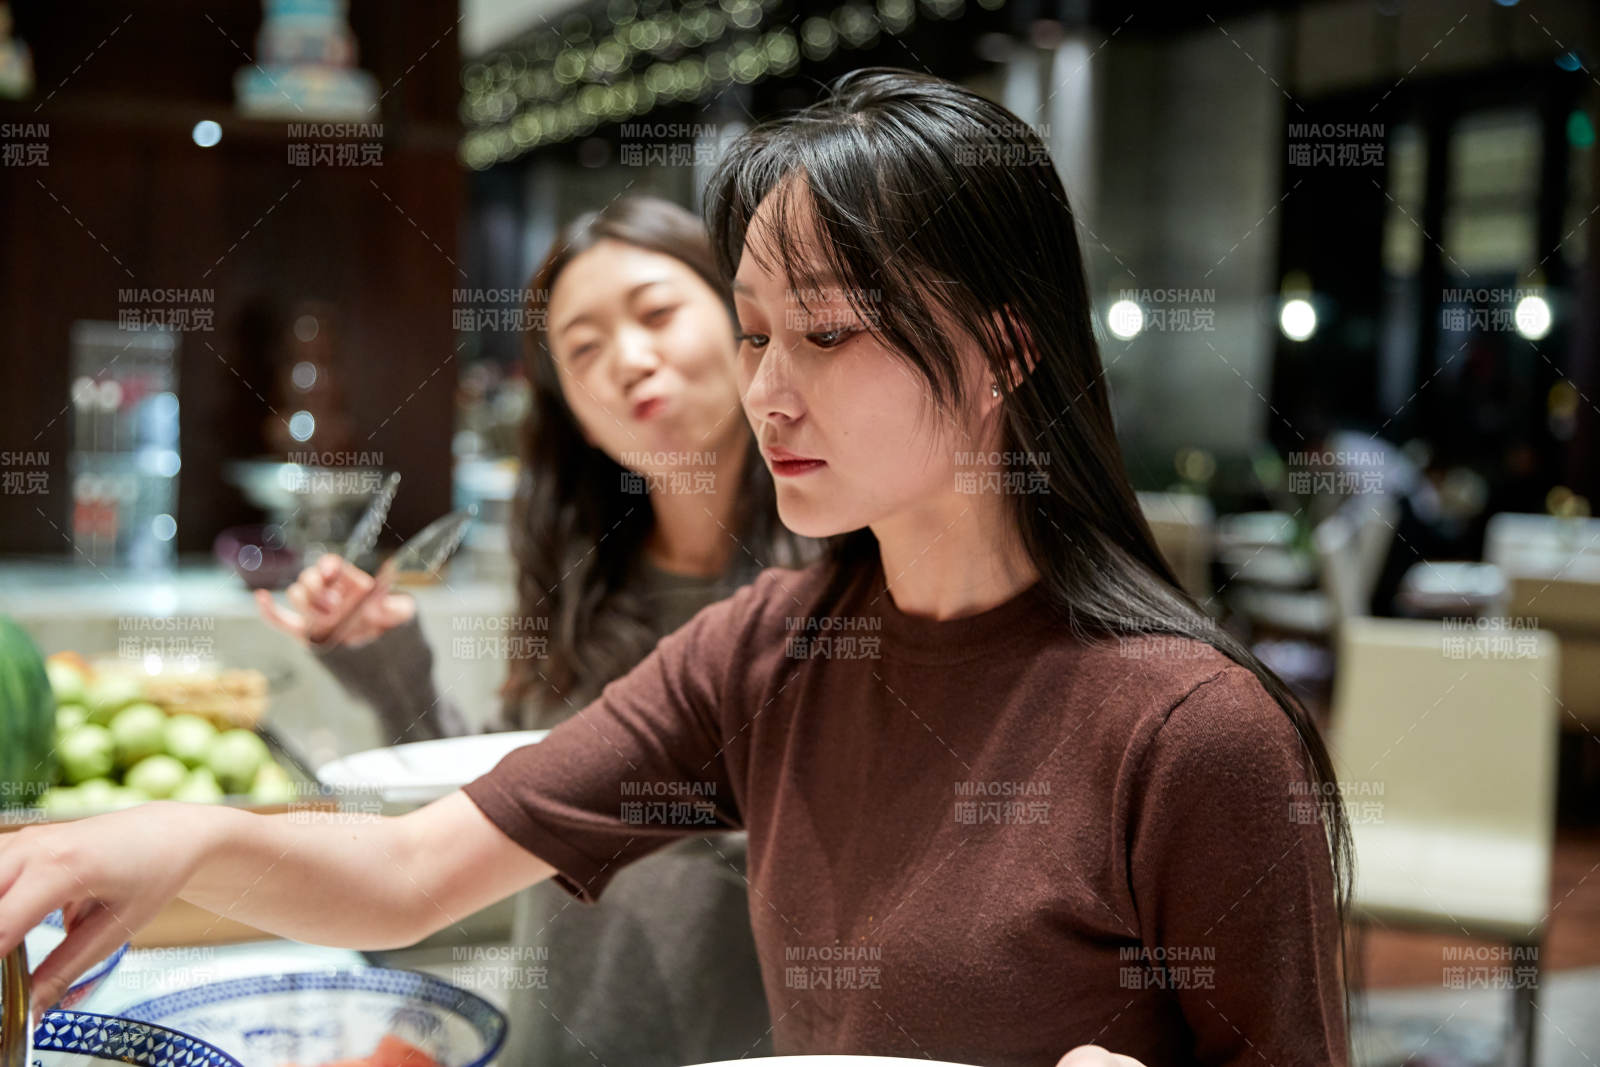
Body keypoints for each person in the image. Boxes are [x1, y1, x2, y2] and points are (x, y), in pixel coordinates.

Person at [2, 69, 1352, 1067]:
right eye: (757, 332)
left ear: (1005, 352)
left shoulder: (1190, 729)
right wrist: (170, 836)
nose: (768, 388)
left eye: (824, 332)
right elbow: (414, 866)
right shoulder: (768, 648)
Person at [252, 195, 812, 1066]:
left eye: (658, 312)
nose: (629, 359)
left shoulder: (835, 593)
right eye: (583, 349)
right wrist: (387, 657)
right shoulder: (583, 584)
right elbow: (500, 813)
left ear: (747, 324)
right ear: (573, 413)